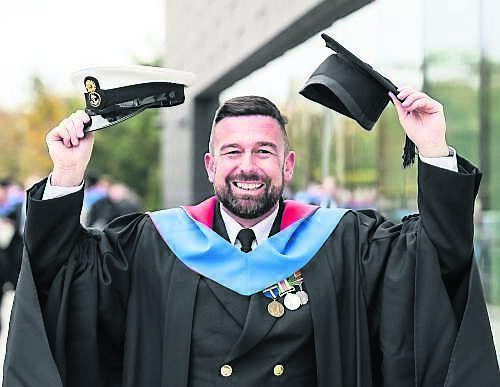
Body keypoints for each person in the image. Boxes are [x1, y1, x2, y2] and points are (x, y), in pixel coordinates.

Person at [4, 90, 500, 387]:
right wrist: (67, 173)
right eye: (233, 151)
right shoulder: (154, 243)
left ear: (287, 165)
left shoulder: (344, 241)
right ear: (210, 165)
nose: (247, 166)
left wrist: (432, 148)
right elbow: (60, 271)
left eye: (264, 151)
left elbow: (437, 255)